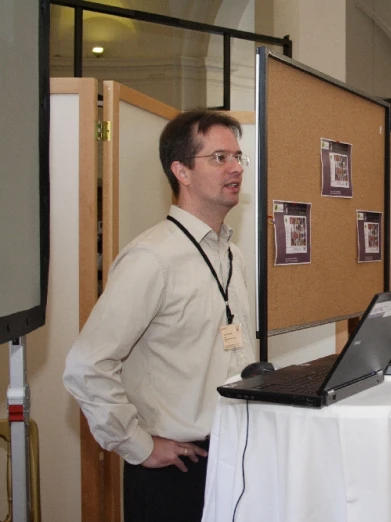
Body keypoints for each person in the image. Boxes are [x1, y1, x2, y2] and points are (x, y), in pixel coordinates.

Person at [63, 109, 256, 522]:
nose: (236, 167)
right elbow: (86, 365)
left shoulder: (231, 255)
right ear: (181, 171)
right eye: (219, 158)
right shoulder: (152, 258)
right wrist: (139, 445)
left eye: (238, 157)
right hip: (177, 469)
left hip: (234, 453)